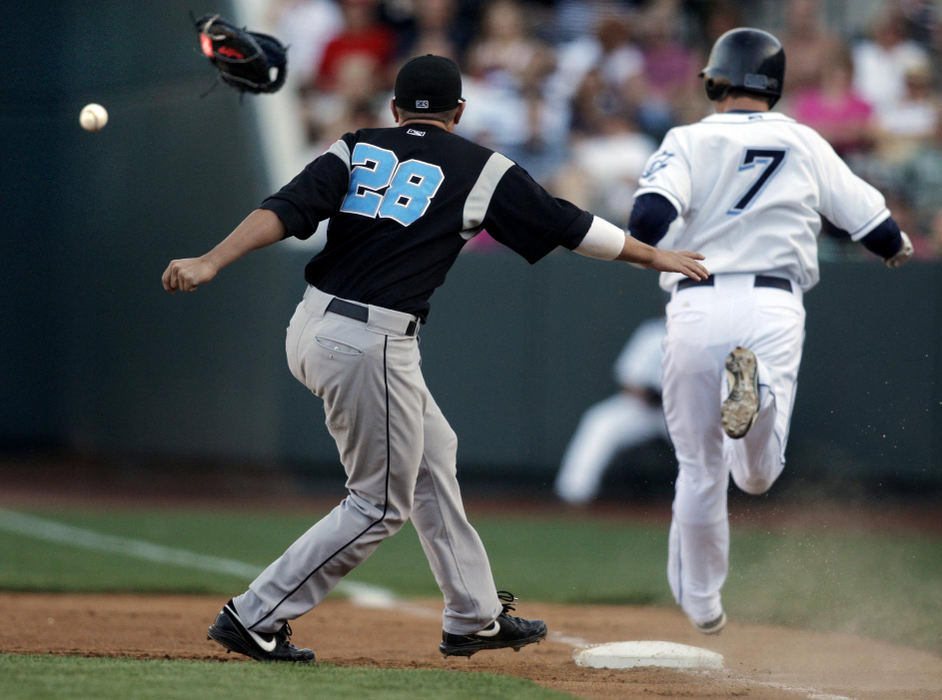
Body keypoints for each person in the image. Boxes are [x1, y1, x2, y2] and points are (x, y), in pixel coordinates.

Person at [162, 54, 708, 663]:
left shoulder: (355, 146)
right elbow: (565, 224)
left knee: (433, 454)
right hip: (371, 340)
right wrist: (653, 256)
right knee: (378, 503)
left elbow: (283, 210)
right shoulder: (480, 166)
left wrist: (210, 260)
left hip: (313, 323)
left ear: (395, 109)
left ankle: (473, 616)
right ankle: (255, 614)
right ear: (460, 111)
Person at [627, 28, 913, 635]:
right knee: (756, 477)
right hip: (771, 306)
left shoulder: (687, 138)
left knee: (700, 468)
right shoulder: (802, 139)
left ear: (715, 81)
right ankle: (754, 407)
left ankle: (703, 604)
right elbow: (876, 226)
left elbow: (647, 219)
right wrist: (897, 248)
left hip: (696, 301)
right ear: (774, 87)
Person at [554, 316, 669, 505]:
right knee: (599, 421)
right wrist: (650, 395)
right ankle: (574, 495)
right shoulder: (653, 332)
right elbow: (628, 380)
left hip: (688, 410)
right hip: (646, 409)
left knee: (717, 437)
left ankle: (721, 500)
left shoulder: (705, 335)